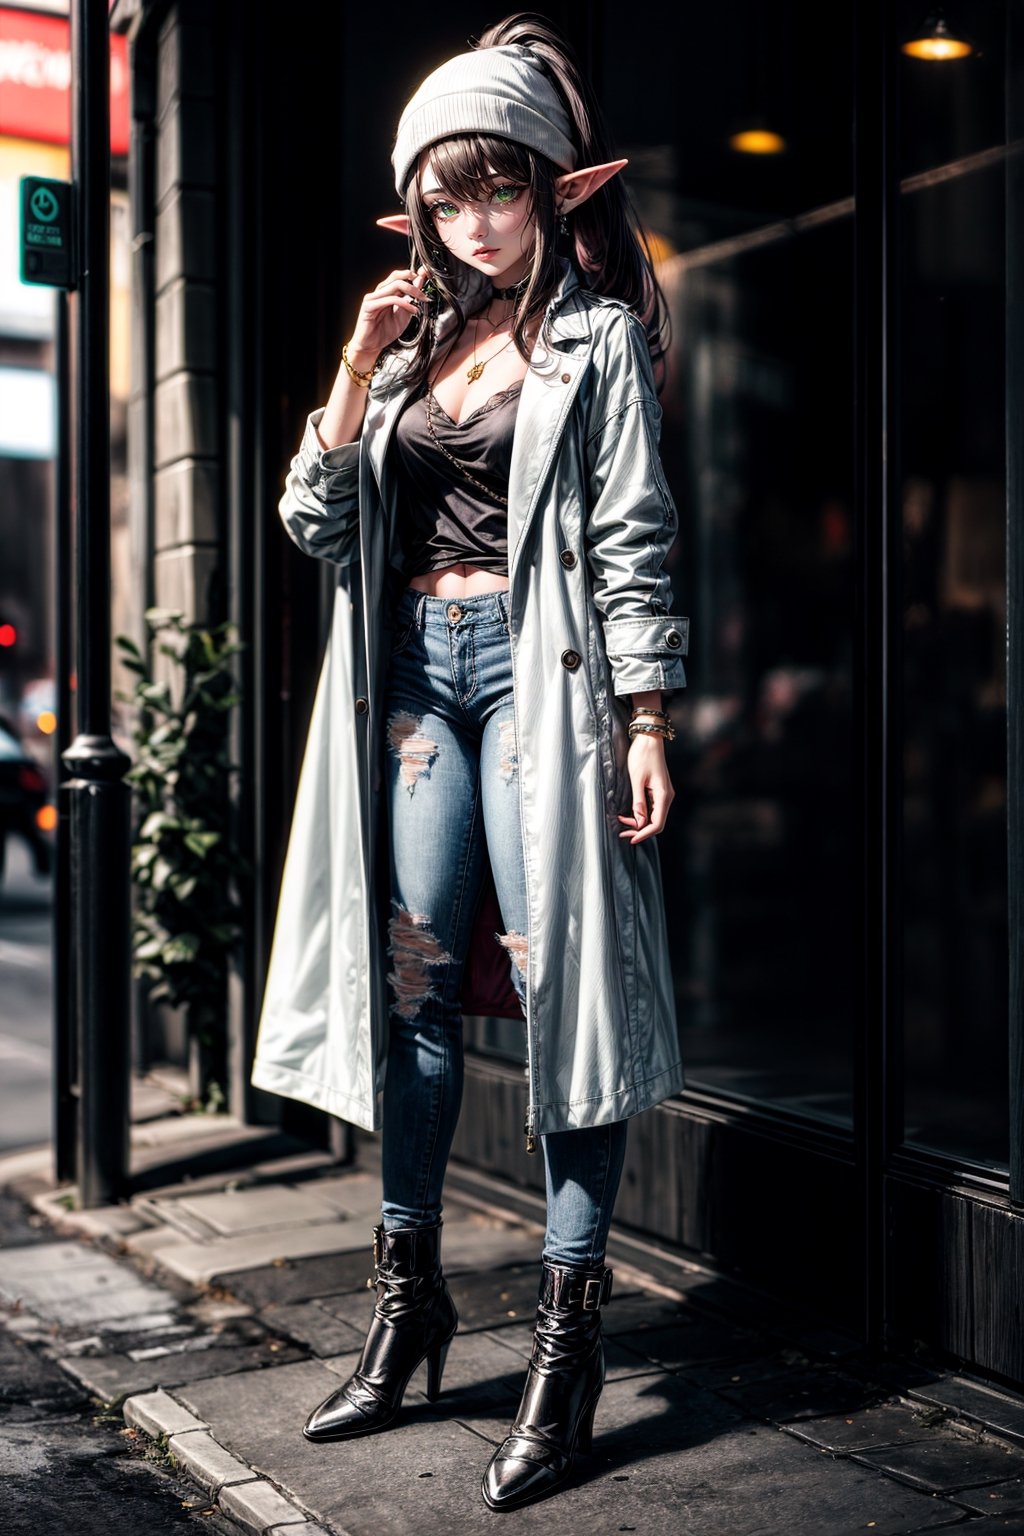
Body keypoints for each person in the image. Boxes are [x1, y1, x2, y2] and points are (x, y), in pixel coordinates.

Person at [250, 11, 689, 1513]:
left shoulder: (598, 338)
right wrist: (357, 365)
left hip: (539, 682)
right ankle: (410, 1303)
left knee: (563, 987)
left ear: (561, 188)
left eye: (499, 188)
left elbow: (633, 537)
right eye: (446, 196)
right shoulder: (415, 338)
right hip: (411, 689)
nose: (473, 221)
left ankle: (569, 1341)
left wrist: (646, 717)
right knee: (414, 989)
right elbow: (314, 528)